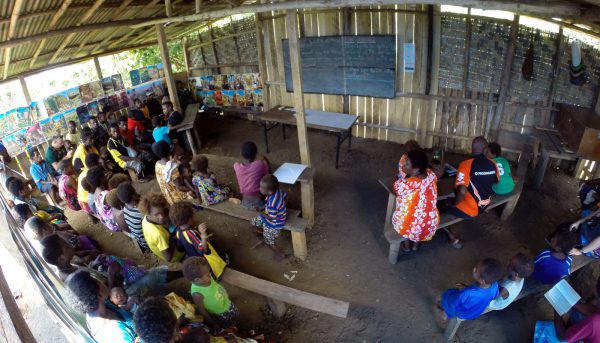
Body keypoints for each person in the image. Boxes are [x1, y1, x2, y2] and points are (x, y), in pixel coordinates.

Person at [443, 136, 499, 246]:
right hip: (484, 205)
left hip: (469, 210)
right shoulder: (493, 164)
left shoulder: (465, 165)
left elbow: (462, 192)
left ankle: (451, 236)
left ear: (472, 149)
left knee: (440, 205)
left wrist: (453, 203)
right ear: (485, 150)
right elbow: (496, 181)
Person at [65, 270, 137, 343]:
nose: (102, 282)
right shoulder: (118, 335)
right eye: (98, 281)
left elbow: (121, 311)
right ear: (99, 294)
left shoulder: (99, 306)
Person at [392, 148, 440, 252]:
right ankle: (415, 245)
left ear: (416, 170)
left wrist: (400, 177)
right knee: (421, 214)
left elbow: (396, 187)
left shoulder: (405, 184)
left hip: (408, 228)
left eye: (407, 163)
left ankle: (407, 245)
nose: (403, 164)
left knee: (402, 207)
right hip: (429, 226)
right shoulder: (431, 175)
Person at [437, 258, 502, 322]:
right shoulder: (494, 286)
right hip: (475, 312)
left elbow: (454, 303)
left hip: (463, 313)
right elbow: (493, 295)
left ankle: (445, 314)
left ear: (482, 281)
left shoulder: (468, 293)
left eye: (476, 271)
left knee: (448, 297)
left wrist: (461, 291)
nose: (474, 269)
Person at [183, 257, 238, 333]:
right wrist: (213, 324)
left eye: (209, 272)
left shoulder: (206, 278)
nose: (210, 275)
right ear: (197, 280)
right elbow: (202, 310)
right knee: (228, 325)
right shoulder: (197, 294)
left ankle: (234, 324)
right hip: (220, 314)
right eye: (207, 275)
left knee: (234, 316)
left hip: (227, 303)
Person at [552, 276, 600, 342]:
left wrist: (556, 309)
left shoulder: (593, 322)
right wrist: (574, 303)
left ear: (595, 291)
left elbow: (562, 337)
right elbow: (595, 309)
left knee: (577, 314)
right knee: (579, 309)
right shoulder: (595, 321)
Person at [139, 192, 184, 262]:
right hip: (176, 255)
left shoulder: (145, 218)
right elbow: (168, 258)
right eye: (156, 214)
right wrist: (174, 237)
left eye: (161, 212)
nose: (161, 216)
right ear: (148, 213)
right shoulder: (158, 234)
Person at [250, 174, 287, 260]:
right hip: (269, 215)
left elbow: (271, 218)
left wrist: (258, 210)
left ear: (269, 192)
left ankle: (280, 254)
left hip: (274, 223)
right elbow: (285, 197)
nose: (260, 189)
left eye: (262, 188)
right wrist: (282, 207)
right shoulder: (278, 191)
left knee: (269, 241)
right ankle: (260, 238)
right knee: (253, 223)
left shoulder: (272, 204)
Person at [233, 141, 269, 210]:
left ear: (241, 153)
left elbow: (239, 163)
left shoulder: (236, 166)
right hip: (259, 204)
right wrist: (264, 158)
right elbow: (267, 172)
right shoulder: (259, 164)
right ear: (256, 154)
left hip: (245, 203)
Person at [87, 166, 122, 232]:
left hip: (108, 223)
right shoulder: (106, 195)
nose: (106, 175)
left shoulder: (95, 193)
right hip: (116, 225)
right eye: (104, 174)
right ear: (102, 178)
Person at [117, 182, 149, 252]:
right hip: (148, 243)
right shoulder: (140, 211)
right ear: (134, 195)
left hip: (142, 241)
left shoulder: (125, 209)